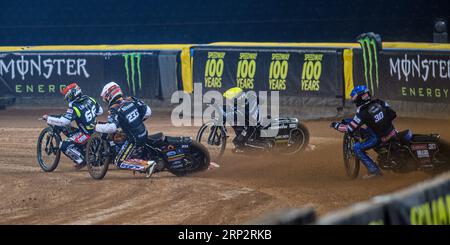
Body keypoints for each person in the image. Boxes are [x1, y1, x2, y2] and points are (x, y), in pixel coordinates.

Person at [330, 85, 397, 179]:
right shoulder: (380, 102)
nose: (354, 101)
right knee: (370, 129)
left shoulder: (362, 113)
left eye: (355, 99)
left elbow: (349, 129)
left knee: (357, 148)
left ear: (359, 98)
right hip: (392, 131)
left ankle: (374, 171)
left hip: (378, 138)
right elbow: (393, 114)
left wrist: (336, 125)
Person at [95, 82, 155, 176]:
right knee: (122, 135)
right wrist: (135, 122)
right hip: (144, 132)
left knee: (119, 162)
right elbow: (148, 112)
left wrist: (95, 126)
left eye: (106, 97)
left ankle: (147, 165)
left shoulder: (114, 109)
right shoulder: (131, 100)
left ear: (110, 95)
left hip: (134, 140)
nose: (105, 99)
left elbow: (112, 127)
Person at [43, 83, 103, 169]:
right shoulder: (90, 99)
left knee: (63, 145)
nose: (66, 98)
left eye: (66, 95)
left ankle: (82, 160)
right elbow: (100, 111)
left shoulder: (74, 107)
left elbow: (64, 121)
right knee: (70, 130)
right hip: (96, 130)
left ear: (71, 94)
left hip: (86, 134)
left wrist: (49, 118)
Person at [222, 87, 260, 152]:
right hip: (249, 122)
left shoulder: (246, 104)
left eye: (230, 100)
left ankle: (246, 146)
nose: (229, 102)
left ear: (236, 99)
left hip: (252, 126)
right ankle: (243, 144)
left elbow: (241, 114)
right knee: (237, 141)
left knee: (238, 142)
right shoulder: (242, 102)